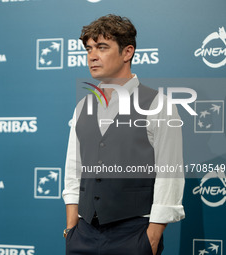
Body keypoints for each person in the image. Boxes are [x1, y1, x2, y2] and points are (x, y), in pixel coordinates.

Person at [62, 14, 185, 255]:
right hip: (83, 235)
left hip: (133, 236)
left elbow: (170, 175)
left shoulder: (158, 105)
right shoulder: (82, 108)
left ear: (127, 52)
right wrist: (71, 229)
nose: (92, 56)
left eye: (102, 47)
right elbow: (73, 170)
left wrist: (151, 238)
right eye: (89, 49)